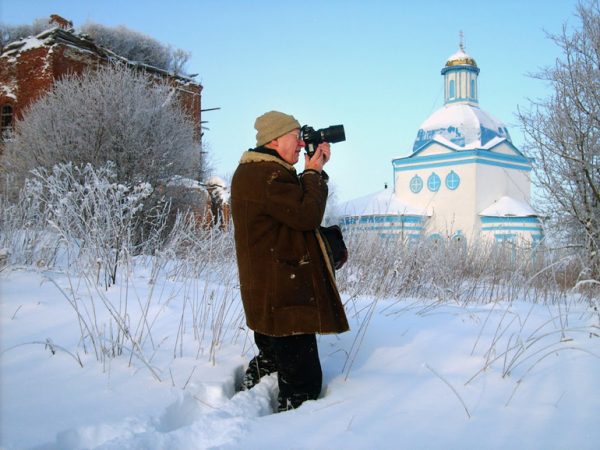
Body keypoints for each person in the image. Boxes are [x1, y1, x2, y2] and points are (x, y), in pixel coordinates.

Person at [230, 110, 349, 412]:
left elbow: (289, 213)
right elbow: (307, 215)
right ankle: (291, 428)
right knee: (304, 384)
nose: (300, 144)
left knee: (272, 354)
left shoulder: (259, 172)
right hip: (286, 293)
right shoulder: (267, 176)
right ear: (274, 139)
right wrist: (313, 172)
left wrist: (312, 170)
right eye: (295, 138)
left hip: (271, 287)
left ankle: (251, 390)